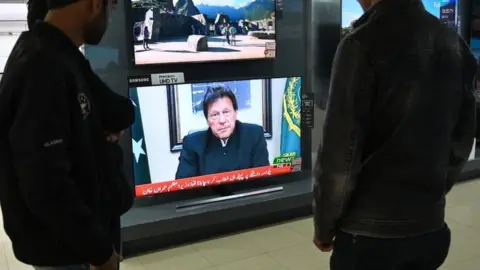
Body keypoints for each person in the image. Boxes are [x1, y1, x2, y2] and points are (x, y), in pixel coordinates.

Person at [312, 0, 477, 269]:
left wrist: (324, 225)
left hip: (369, 235)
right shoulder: (454, 43)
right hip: (430, 229)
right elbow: (462, 139)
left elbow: (340, 154)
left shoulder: (359, 45)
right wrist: (429, 195)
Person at [0, 0, 135, 269]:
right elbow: (46, 186)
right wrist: (99, 252)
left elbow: (117, 112)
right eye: (113, 6)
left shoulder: (63, 56)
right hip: (66, 251)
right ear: (96, 4)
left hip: (78, 243)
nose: (113, 15)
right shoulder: (40, 67)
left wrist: (93, 129)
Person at [175, 86, 270, 179]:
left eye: (226, 112)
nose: (222, 120)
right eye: (214, 114)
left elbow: (263, 180)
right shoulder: (192, 143)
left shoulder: (254, 135)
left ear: (235, 113)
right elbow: (183, 187)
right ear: (207, 120)